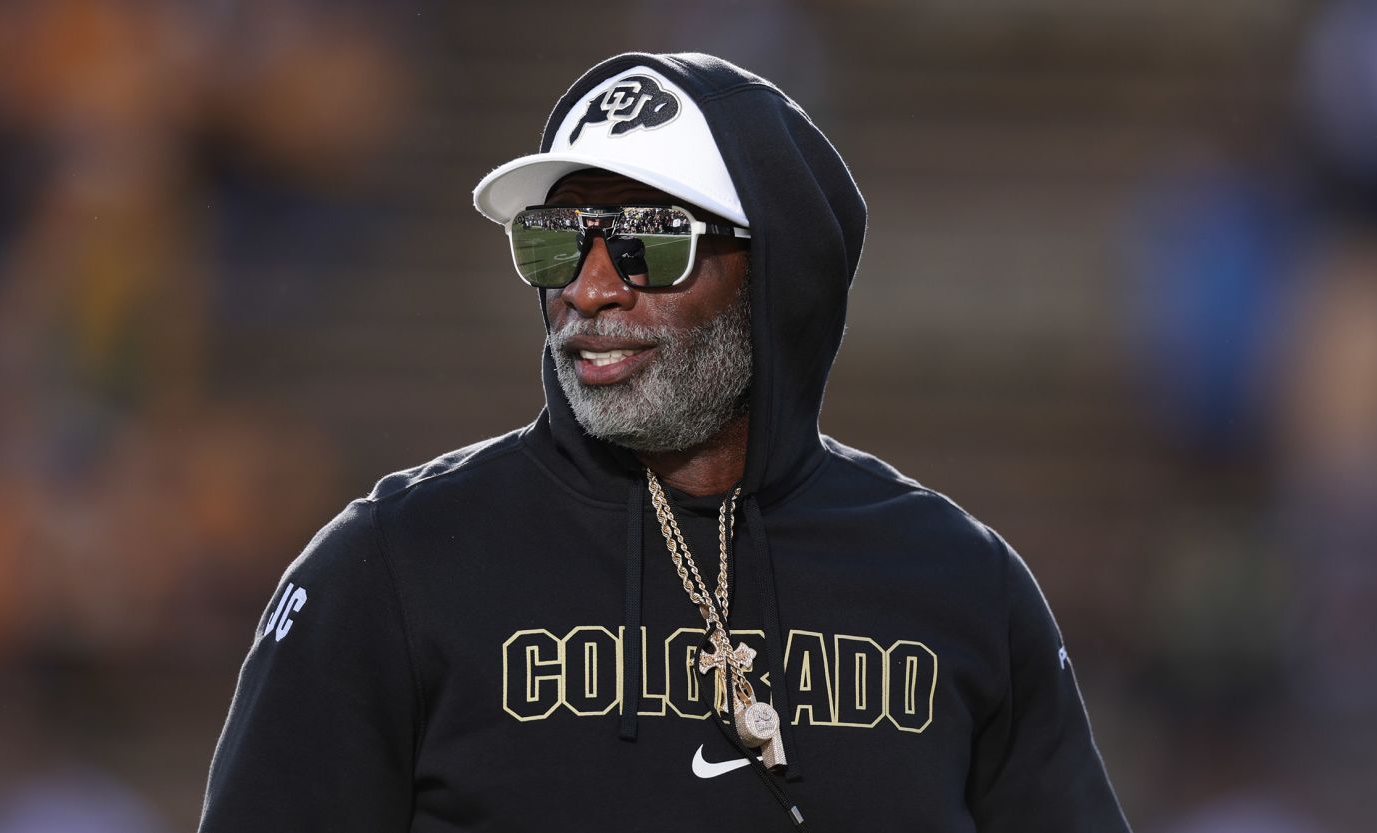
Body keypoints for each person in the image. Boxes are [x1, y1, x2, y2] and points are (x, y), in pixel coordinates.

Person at [198, 52, 1132, 832]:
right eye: (557, 240)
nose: (591, 288)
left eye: (650, 239)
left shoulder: (962, 587)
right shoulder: (392, 567)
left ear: (777, 271)